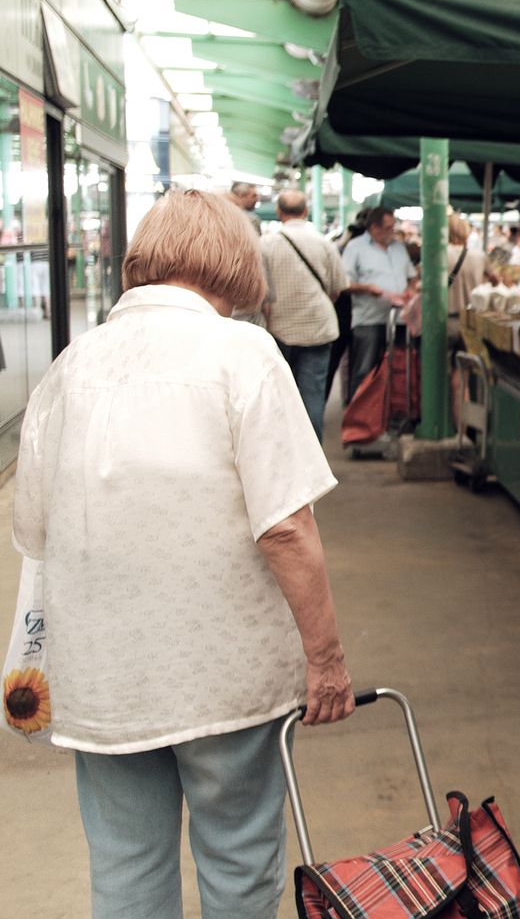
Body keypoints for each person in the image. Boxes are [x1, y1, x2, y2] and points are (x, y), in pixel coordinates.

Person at [12, 189, 354, 918]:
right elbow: (286, 526)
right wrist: (325, 658)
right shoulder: (243, 355)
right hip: (223, 678)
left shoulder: (74, 364)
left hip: (104, 680)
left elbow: (33, 528)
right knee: (237, 865)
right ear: (236, 264)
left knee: (126, 869)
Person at [261, 190, 349, 441]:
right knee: (313, 394)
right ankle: (313, 462)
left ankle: (285, 453)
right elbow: (337, 288)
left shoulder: (266, 244)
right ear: (306, 211)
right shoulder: (324, 243)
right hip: (319, 327)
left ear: (279, 212)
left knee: (280, 394)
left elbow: (263, 297)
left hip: (280, 329)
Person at [340, 205, 416, 399]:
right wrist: (369, 289)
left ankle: (391, 413)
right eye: (389, 227)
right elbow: (344, 283)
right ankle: (359, 419)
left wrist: (410, 291)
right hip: (369, 319)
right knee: (366, 370)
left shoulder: (398, 248)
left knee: (398, 368)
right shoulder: (355, 247)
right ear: (374, 228)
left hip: (399, 319)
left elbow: (411, 277)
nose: (393, 231)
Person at [447, 211, 488, 346]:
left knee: (444, 364)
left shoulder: (439, 255)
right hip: (473, 322)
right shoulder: (480, 256)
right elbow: (496, 280)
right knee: (469, 364)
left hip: (446, 322)